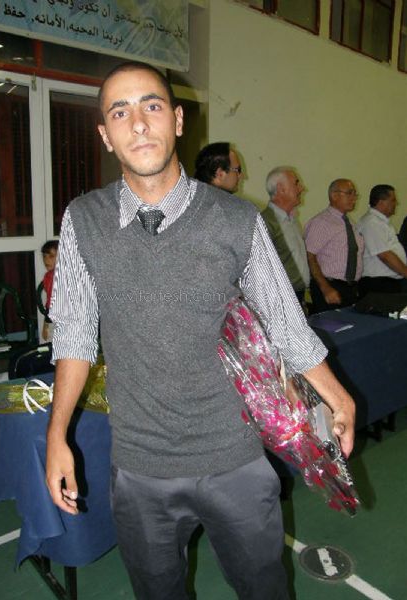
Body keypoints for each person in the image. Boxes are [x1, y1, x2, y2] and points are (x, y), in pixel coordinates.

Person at [46, 61, 355, 600]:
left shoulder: (236, 219)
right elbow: (73, 334)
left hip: (235, 458)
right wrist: (57, 436)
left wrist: (336, 395)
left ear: (178, 120)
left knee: (264, 590)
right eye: (120, 112)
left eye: (152, 105)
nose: (138, 123)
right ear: (106, 135)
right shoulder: (84, 220)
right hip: (140, 467)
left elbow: (285, 320)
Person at [304, 179, 364, 313]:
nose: (354, 198)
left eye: (355, 194)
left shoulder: (349, 223)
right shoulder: (321, 222)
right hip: (329, 287)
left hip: (350, 288)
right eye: (349, 193)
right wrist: (325, 288)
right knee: (333, 325)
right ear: (334, 195)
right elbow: (309, 256)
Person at [261, 167, 310, 306]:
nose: (302, 188)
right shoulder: (265, 222)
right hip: (280, 299)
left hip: (298, 296)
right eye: (296, 183)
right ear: (281, 189)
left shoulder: (292, 220)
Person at [357, 185, 407, 295]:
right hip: (378, 284)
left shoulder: (380, 222)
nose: (396, 203)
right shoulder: (372, 223)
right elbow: (385, 255)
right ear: (381, 202)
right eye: (393, 200)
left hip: (386, 283)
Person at [40, 240, 58, 341]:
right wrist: (45, 323)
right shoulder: (47, 276)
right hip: (51, 314)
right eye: (44, 256)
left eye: (51, 256)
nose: (46, 260)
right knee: (49, 340)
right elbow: (49, 302)